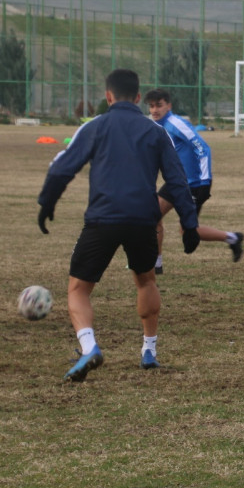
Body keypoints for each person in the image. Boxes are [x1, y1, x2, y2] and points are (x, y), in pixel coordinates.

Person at [37, 69, 201, 383]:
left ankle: (89, 347)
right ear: (139, 98)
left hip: (102, 220)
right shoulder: (155, 131)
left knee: (78, 290)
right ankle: (148, 350)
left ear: (108, 96)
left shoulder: (94, 126)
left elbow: (63, 167)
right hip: (143, 220)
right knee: (146, 282)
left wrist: (47, 203)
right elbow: (177, 180)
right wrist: (190, 224)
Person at [144, 89, 244, 272]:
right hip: (176, 182)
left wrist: (205, 181)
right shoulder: (155, 125)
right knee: (152, 216)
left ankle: (233, 238)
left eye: (159, 105)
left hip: (195, 184)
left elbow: (203, 148)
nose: (154, 110)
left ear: (168, 105)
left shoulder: (176, 124)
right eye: (151, 106)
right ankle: (156, 265)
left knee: (187, 230)